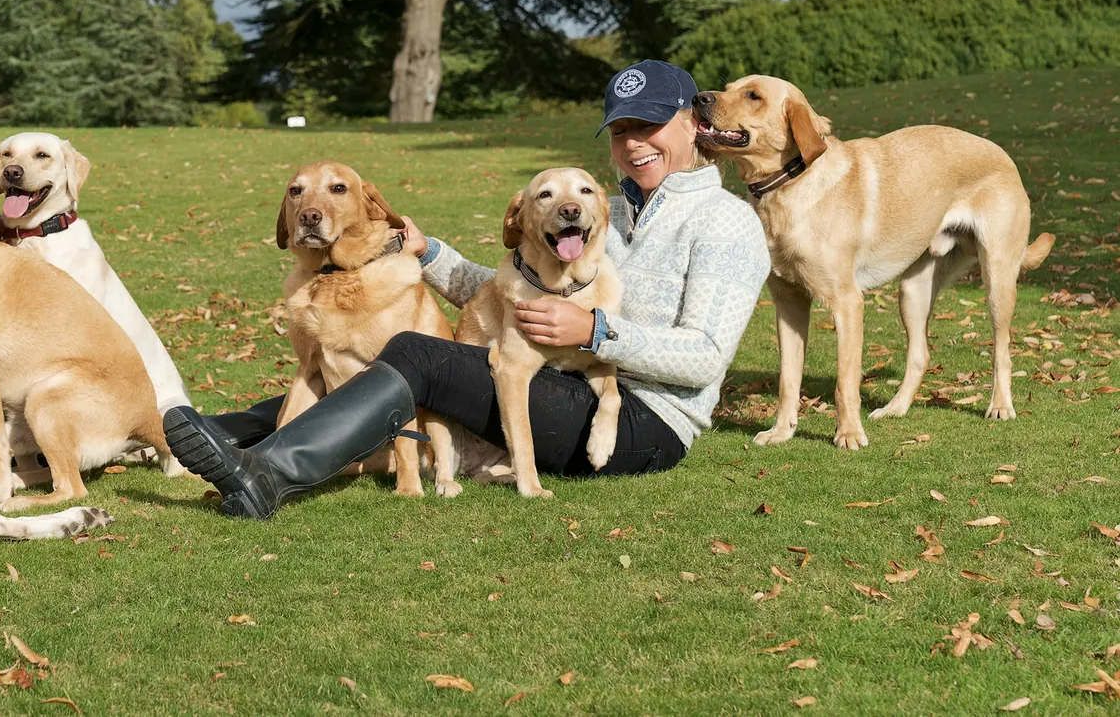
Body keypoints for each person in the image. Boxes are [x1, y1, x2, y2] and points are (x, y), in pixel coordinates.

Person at [164, 60, 771, 519]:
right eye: (620, 131)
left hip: (643, 420)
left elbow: (706, 358)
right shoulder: (594, 207)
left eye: (651, 126)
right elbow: (507, 295)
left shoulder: (725, 222)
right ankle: (219, 435)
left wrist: (598, 332)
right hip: (549, 379)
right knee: (375, 367)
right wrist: (429, 255)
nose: (634, 143)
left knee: (412, 351)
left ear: (694, 125)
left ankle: (267, 476)